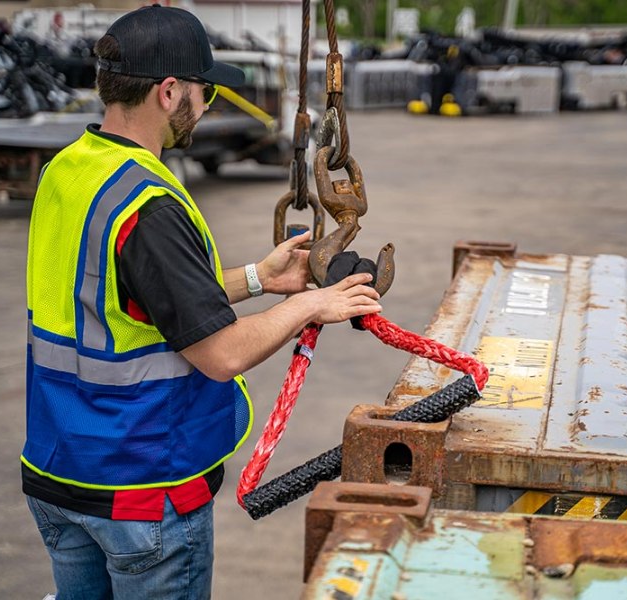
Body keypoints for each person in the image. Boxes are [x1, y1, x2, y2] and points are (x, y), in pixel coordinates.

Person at [21, 5, 382, 599]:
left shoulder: (71, 170)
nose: (208, 103)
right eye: (205, 90)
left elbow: (124, 300)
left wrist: (260, 280)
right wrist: (314, 307)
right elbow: (220, 354)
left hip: (59, 477)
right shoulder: (148, 201)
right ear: (169, 92)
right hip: (141, 491)